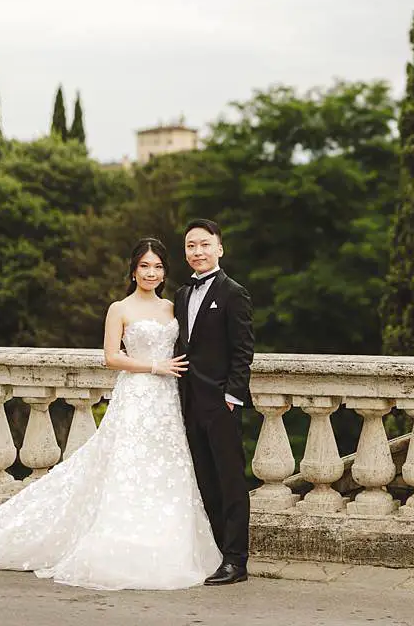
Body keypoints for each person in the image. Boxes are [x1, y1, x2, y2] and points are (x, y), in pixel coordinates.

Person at [0, 237, 222, 591]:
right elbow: (111, 357)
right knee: (127, 466)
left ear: (165, 272)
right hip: (138, 394)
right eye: (144, 266)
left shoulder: (172, 308)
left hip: (167, 400)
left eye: (157, 267)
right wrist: (154, 366)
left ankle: (164, 546)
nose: (151, 273)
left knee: (166, 467)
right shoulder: (120, 309)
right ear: (133, 271)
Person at [176, 218, 254, 585]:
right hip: (189, 402)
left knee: (231, 482)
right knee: (206, 481)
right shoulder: (181, 294)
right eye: (191, 246)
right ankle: (218, 552)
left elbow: (243, 350)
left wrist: (232, 397)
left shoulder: (234, 293)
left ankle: (237, 561)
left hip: (221, 403)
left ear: (219, 249)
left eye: (205, 244)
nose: (198, 251)